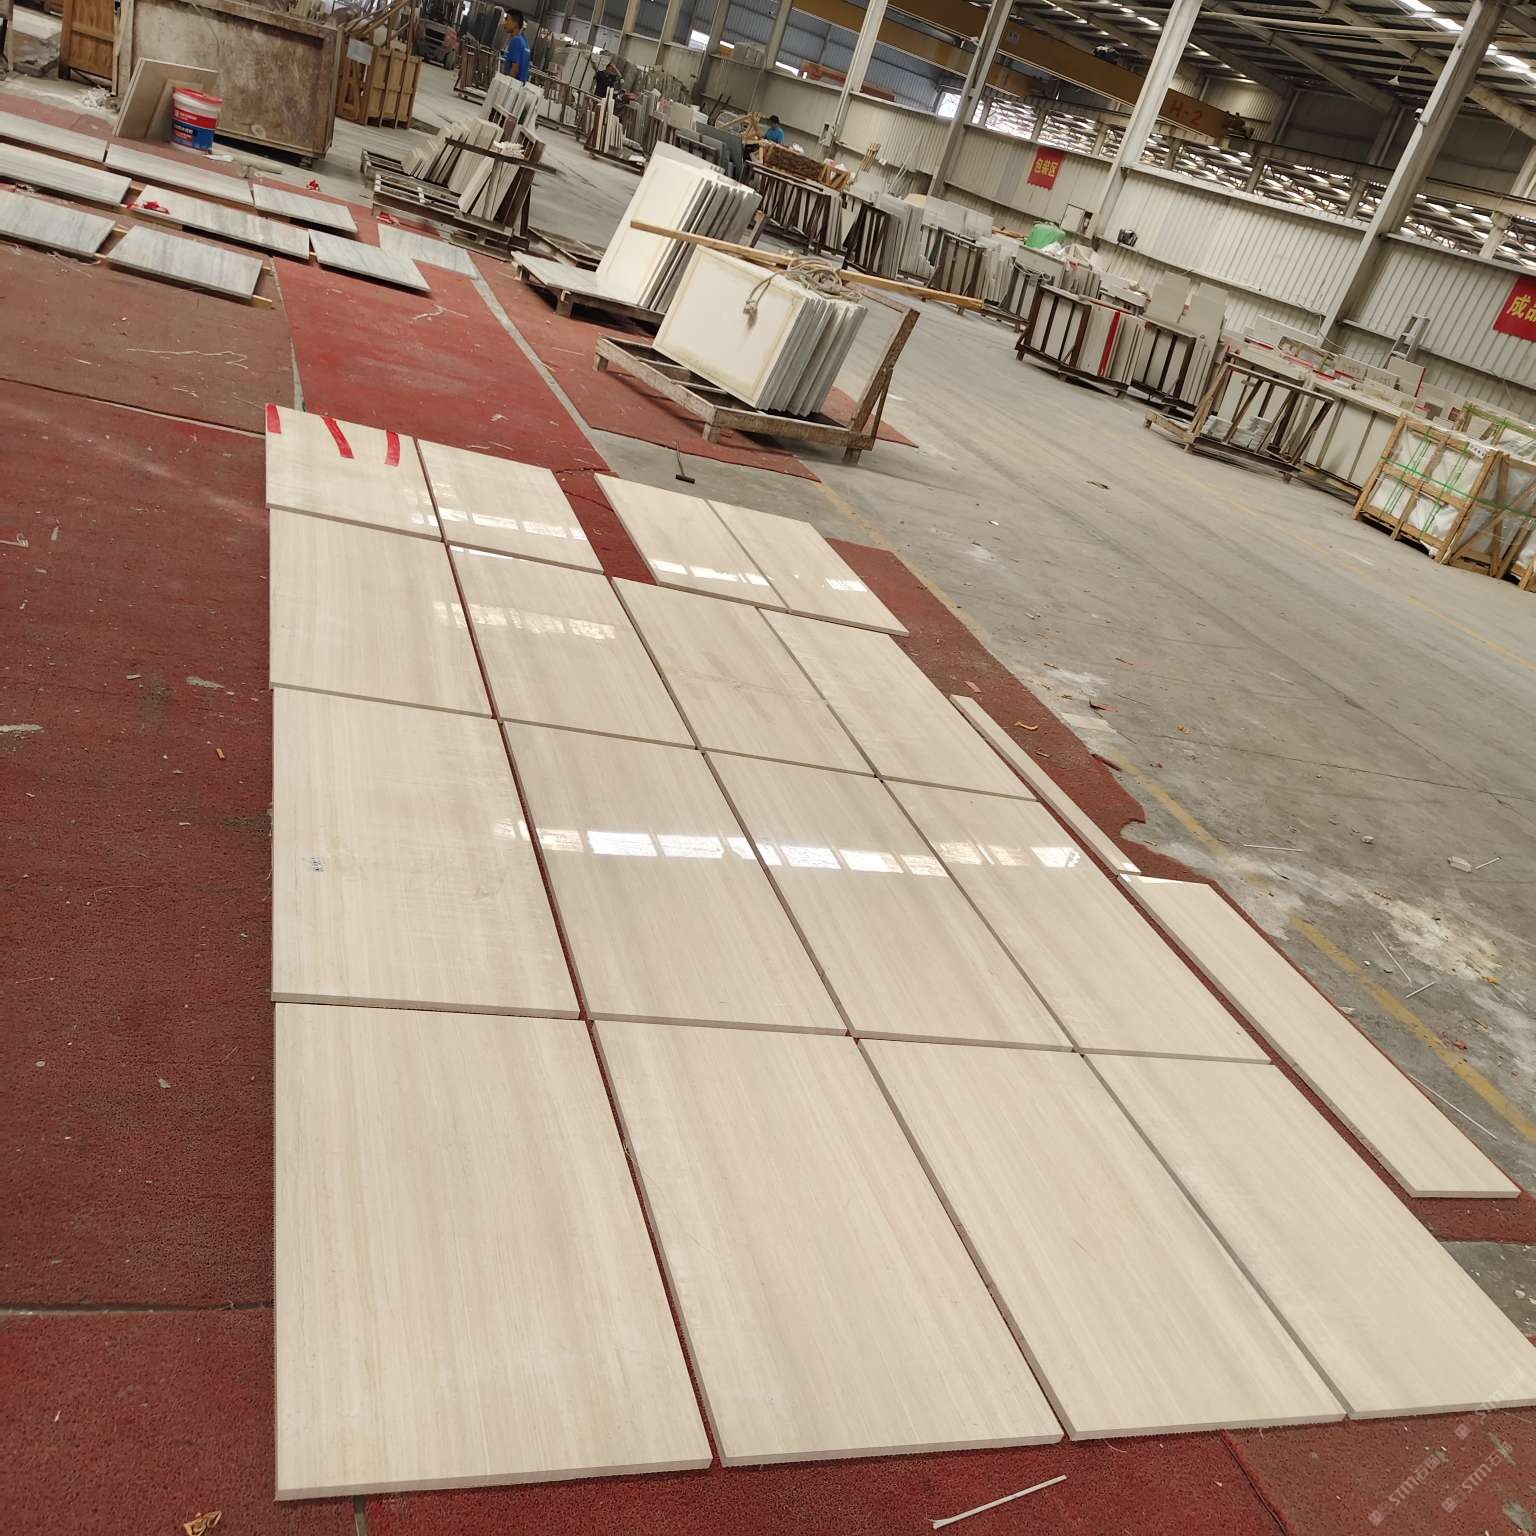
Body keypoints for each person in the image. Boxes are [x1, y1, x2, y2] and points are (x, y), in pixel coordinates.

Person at [500, 10, 530, 82]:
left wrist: (505, 84)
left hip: (513, 85)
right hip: (520, 85)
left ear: (515, 23)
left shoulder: (516, 40)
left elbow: (514, 70)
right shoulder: (525, 41)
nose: (504, 23)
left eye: (507, 20)